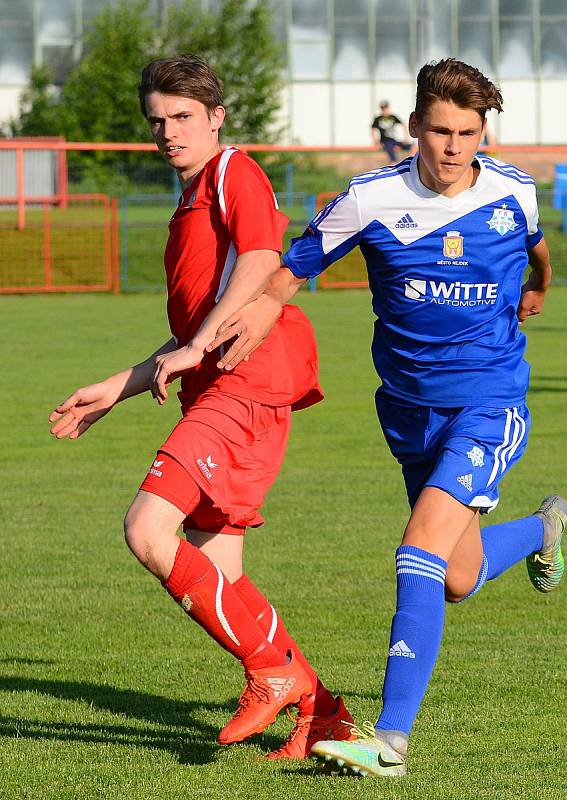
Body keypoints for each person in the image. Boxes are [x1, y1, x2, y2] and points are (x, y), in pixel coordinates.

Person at [205, 58, 567, 777]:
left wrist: (536, 289)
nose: (454, 146)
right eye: (440, 130)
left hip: (489, 402)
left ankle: (391, 742)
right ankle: (542, 529)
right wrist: (265, 303)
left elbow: (535, 249)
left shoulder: (512, 190)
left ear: (482, 132)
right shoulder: (369, 199)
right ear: (413, 128)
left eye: (468, 132)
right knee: (455, 576)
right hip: (407, 414)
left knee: (416, 552)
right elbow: (295, 264)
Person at [48, 55, 354, 760]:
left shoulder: (231, 173)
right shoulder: (188, 201)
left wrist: (201, 344)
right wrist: (117, 387)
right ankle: (323, 712)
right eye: (157, 120)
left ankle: (271, 673)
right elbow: (191, 332)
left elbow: (259, 258)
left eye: (182, 116)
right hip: (219, 385)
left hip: (246, 382)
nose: (167, 132)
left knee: (149, 530)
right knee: (223, 575)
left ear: (216, 117)